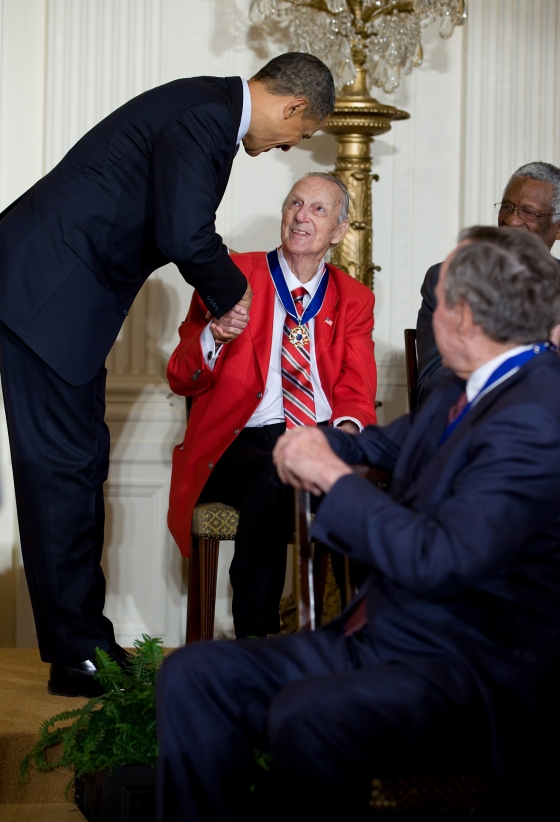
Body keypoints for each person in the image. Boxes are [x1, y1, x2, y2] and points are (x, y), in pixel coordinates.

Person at [157, 226, 560, 820]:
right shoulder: (469, 388)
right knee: (195, 675)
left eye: (438, 301)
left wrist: (333, 480)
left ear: (467, 319)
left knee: (307, 714)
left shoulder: (536, 414)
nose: (431, 314)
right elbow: (387, 445)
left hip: (469, 669)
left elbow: (440, 558)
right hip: (391, 639)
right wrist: (315, 441)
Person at [0, 52, 335, 697]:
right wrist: (234, 293)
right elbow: (185, 233)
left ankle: (85, 641)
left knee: (77, 465)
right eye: (299, 135)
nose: (286, 146)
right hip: (47, 294)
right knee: (62, 472)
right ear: (294, 108)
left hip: (59, 301)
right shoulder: (207, 116)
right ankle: (76, 655)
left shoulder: (204, 109)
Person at [167, 172, 377, 638]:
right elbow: (181, 376)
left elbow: (357, 390)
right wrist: (213, 336)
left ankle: (362, 646)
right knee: (272, 475)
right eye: (295, 204)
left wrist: (343, 437)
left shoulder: (354, 298)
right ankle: (257, 644)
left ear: (339, 232)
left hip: (317, 435)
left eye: (318, 209)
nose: (302, 216)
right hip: (239, 443)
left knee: (369, 492)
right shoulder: (232, 275)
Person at [416, 161, 560, 403]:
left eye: (529, 212)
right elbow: (432, 385)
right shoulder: (450, 281)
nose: (512, 220)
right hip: (475, 426)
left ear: (558, 228)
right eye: (507, 207)